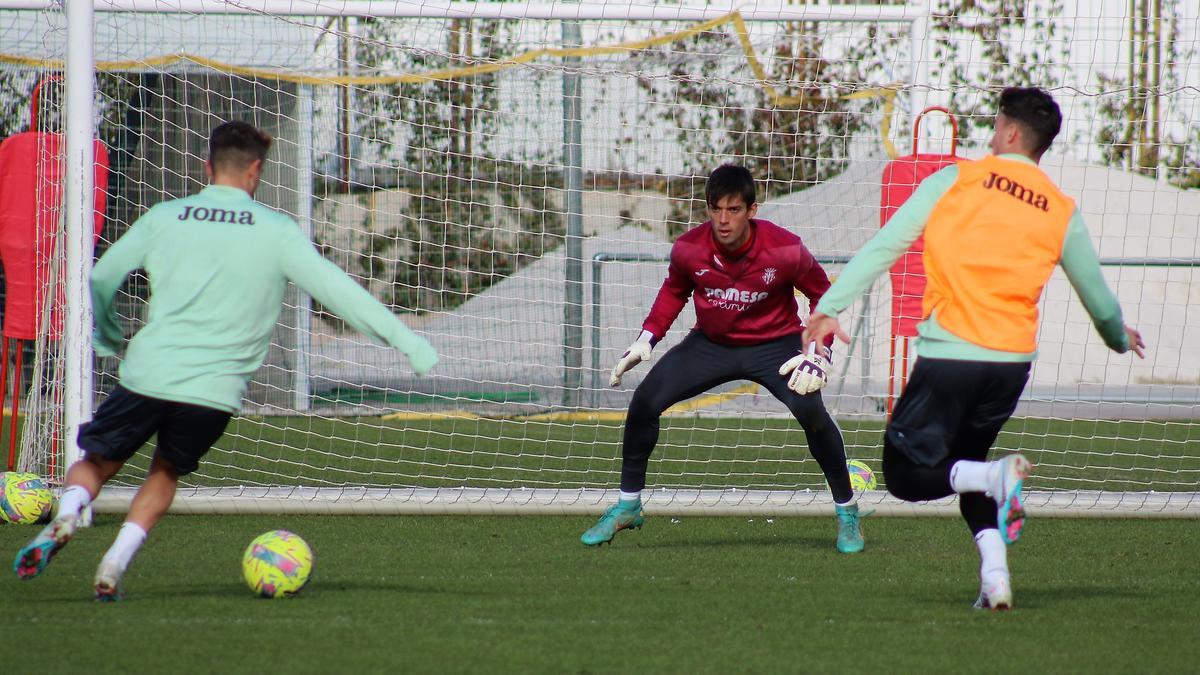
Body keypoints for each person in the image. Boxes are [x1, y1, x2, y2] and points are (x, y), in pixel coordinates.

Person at [13, 121, 438, 600]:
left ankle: (68, 515)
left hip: (149, 375)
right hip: (213, 394)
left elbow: (102, 276)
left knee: (95, 464)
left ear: (207, 166)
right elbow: (339, 293)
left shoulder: (165, 216)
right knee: (164, 473)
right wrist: (407, 342)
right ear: (256, 170)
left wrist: (108, 334)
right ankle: (114, 561)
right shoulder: (278, 232)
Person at [803, 87, 1146, 611]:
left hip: (952, 357)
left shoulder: (957, 179)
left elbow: (887, 244)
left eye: (995, 125)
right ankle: (995, 577)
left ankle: (995, 477)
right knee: (966, 464)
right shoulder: (1060, 207)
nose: (990, 134)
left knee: (904, 476)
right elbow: (1098, 300)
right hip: (1010, 367)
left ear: (1009, 132)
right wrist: (1119, 338)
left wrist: (831, 305)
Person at [581, 163, 863, 553]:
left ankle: (847, 513)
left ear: (752, 210)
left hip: (775, 345)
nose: (723, 219)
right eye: (716, 209)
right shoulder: (689, 248)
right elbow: (673, 291)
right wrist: (646, 339)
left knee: (812, 413)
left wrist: (818, 352)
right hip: (710, 345)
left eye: (733, 209)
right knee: (644, 402)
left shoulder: (785, 249)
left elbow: (825, 297)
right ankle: (629, 505)